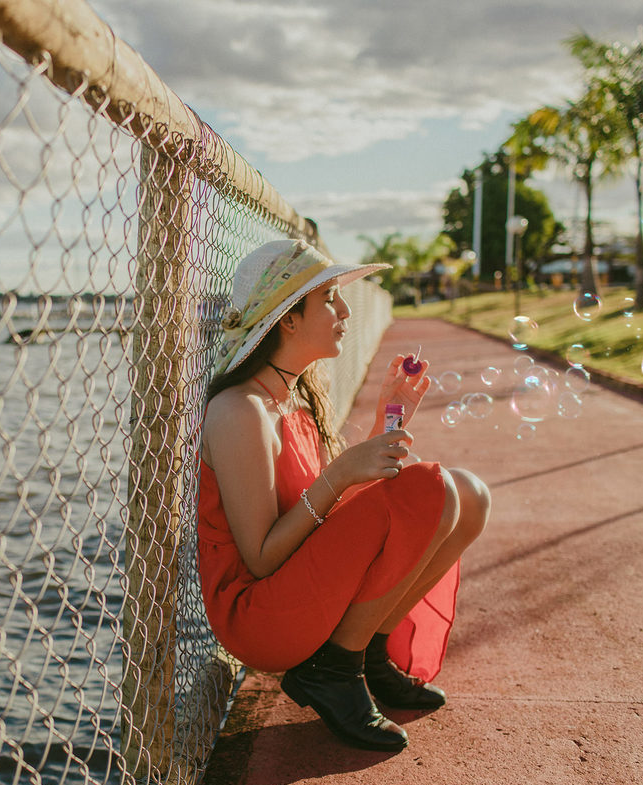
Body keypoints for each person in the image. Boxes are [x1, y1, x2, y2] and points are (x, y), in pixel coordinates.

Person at [198, 239, 491, 751]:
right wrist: (339, 474)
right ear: (288, 320)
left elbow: (329, 517)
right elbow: (262, 559)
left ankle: (368, 654)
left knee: (470, 492)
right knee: (430, 485)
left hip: (298, 590)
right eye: (330, 297)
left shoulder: (291, 399)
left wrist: (385, 423)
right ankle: (334, 668)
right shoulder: (240, 411)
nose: (346, 310)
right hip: (260, 616)